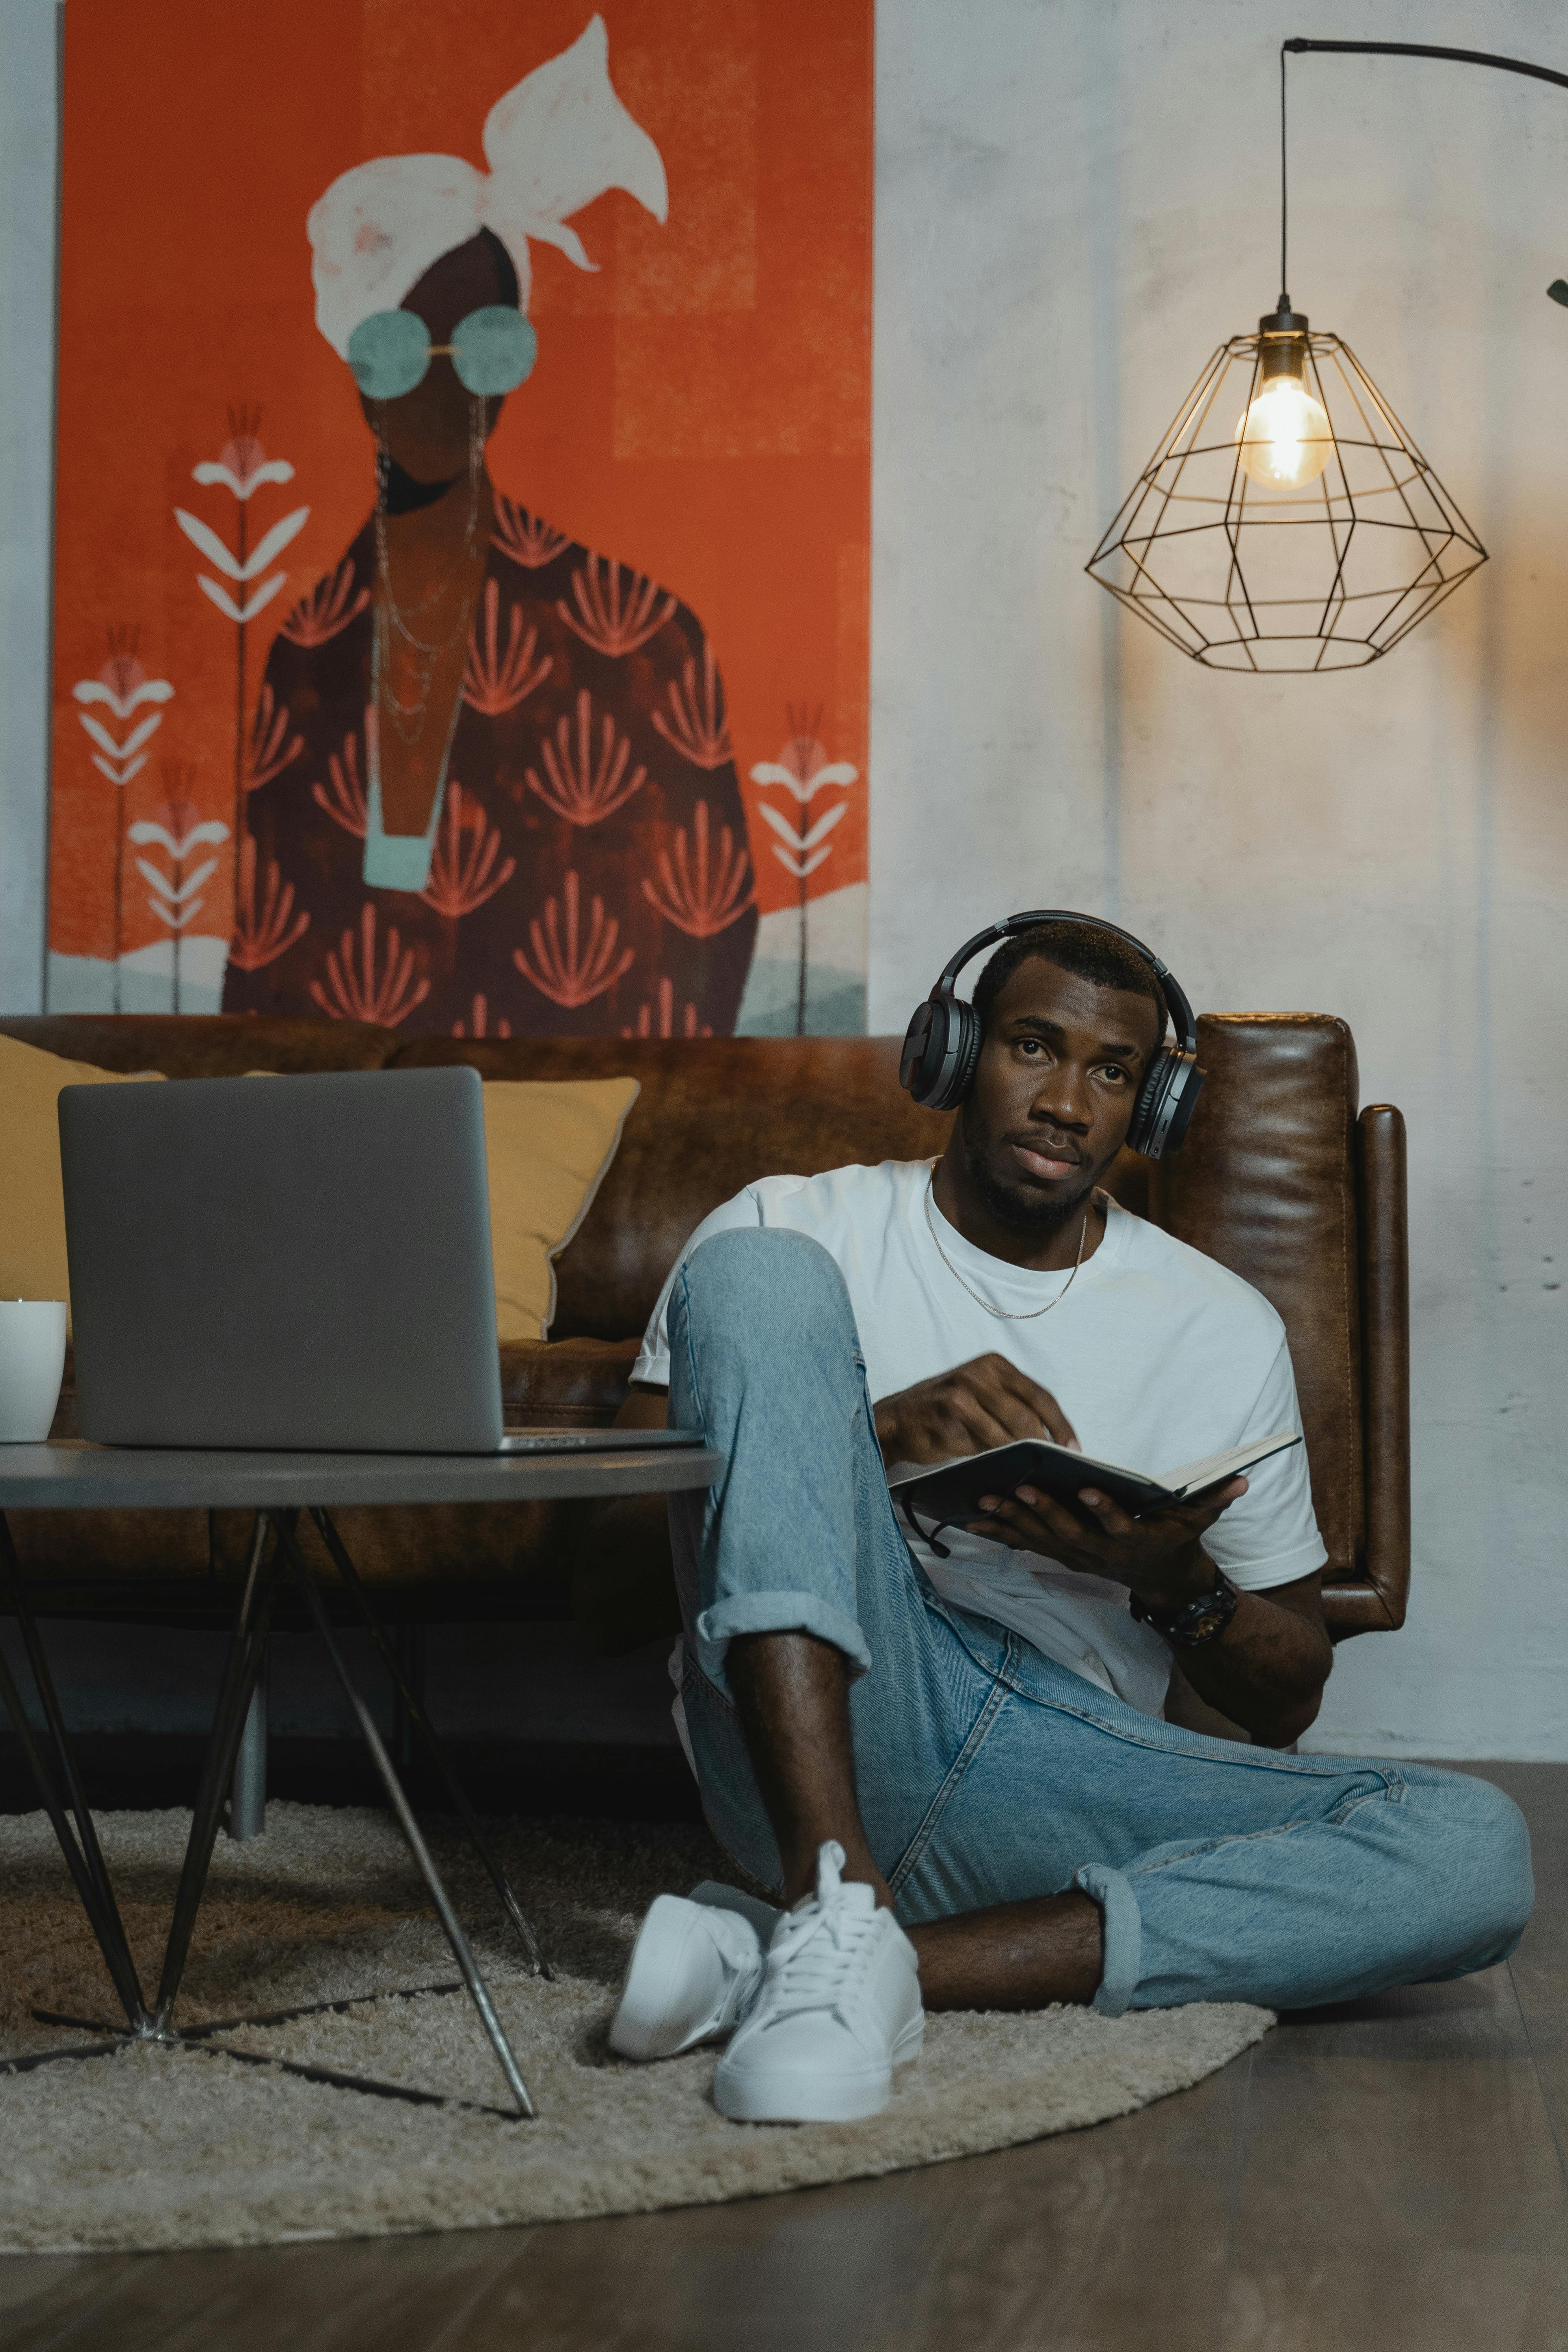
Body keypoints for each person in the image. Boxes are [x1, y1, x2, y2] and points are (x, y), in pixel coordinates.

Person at [604, 914, 1534, 2123]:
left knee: (1473, 1847)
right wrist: (864, 1442)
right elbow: (606, 1588)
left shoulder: (1218, 1327)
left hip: (1057, 1755)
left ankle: (805, 1956)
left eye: (1112, 1073)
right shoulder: (790, 1226)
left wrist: (1174, 1577)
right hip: (811, 1724)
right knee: (761, 1283)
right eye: (1032, 1047)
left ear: (1147, 1111)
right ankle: (831, 1885)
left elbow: (1285, 1698)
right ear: (953, 1054)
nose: (1065, 1101)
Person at [223, 19, 757, 1039]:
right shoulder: (305, 654)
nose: (444, 385)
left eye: (485, 342)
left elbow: (702, 959)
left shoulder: (641, 637)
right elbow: (263, 977)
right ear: (349, 358)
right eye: (394, 345)